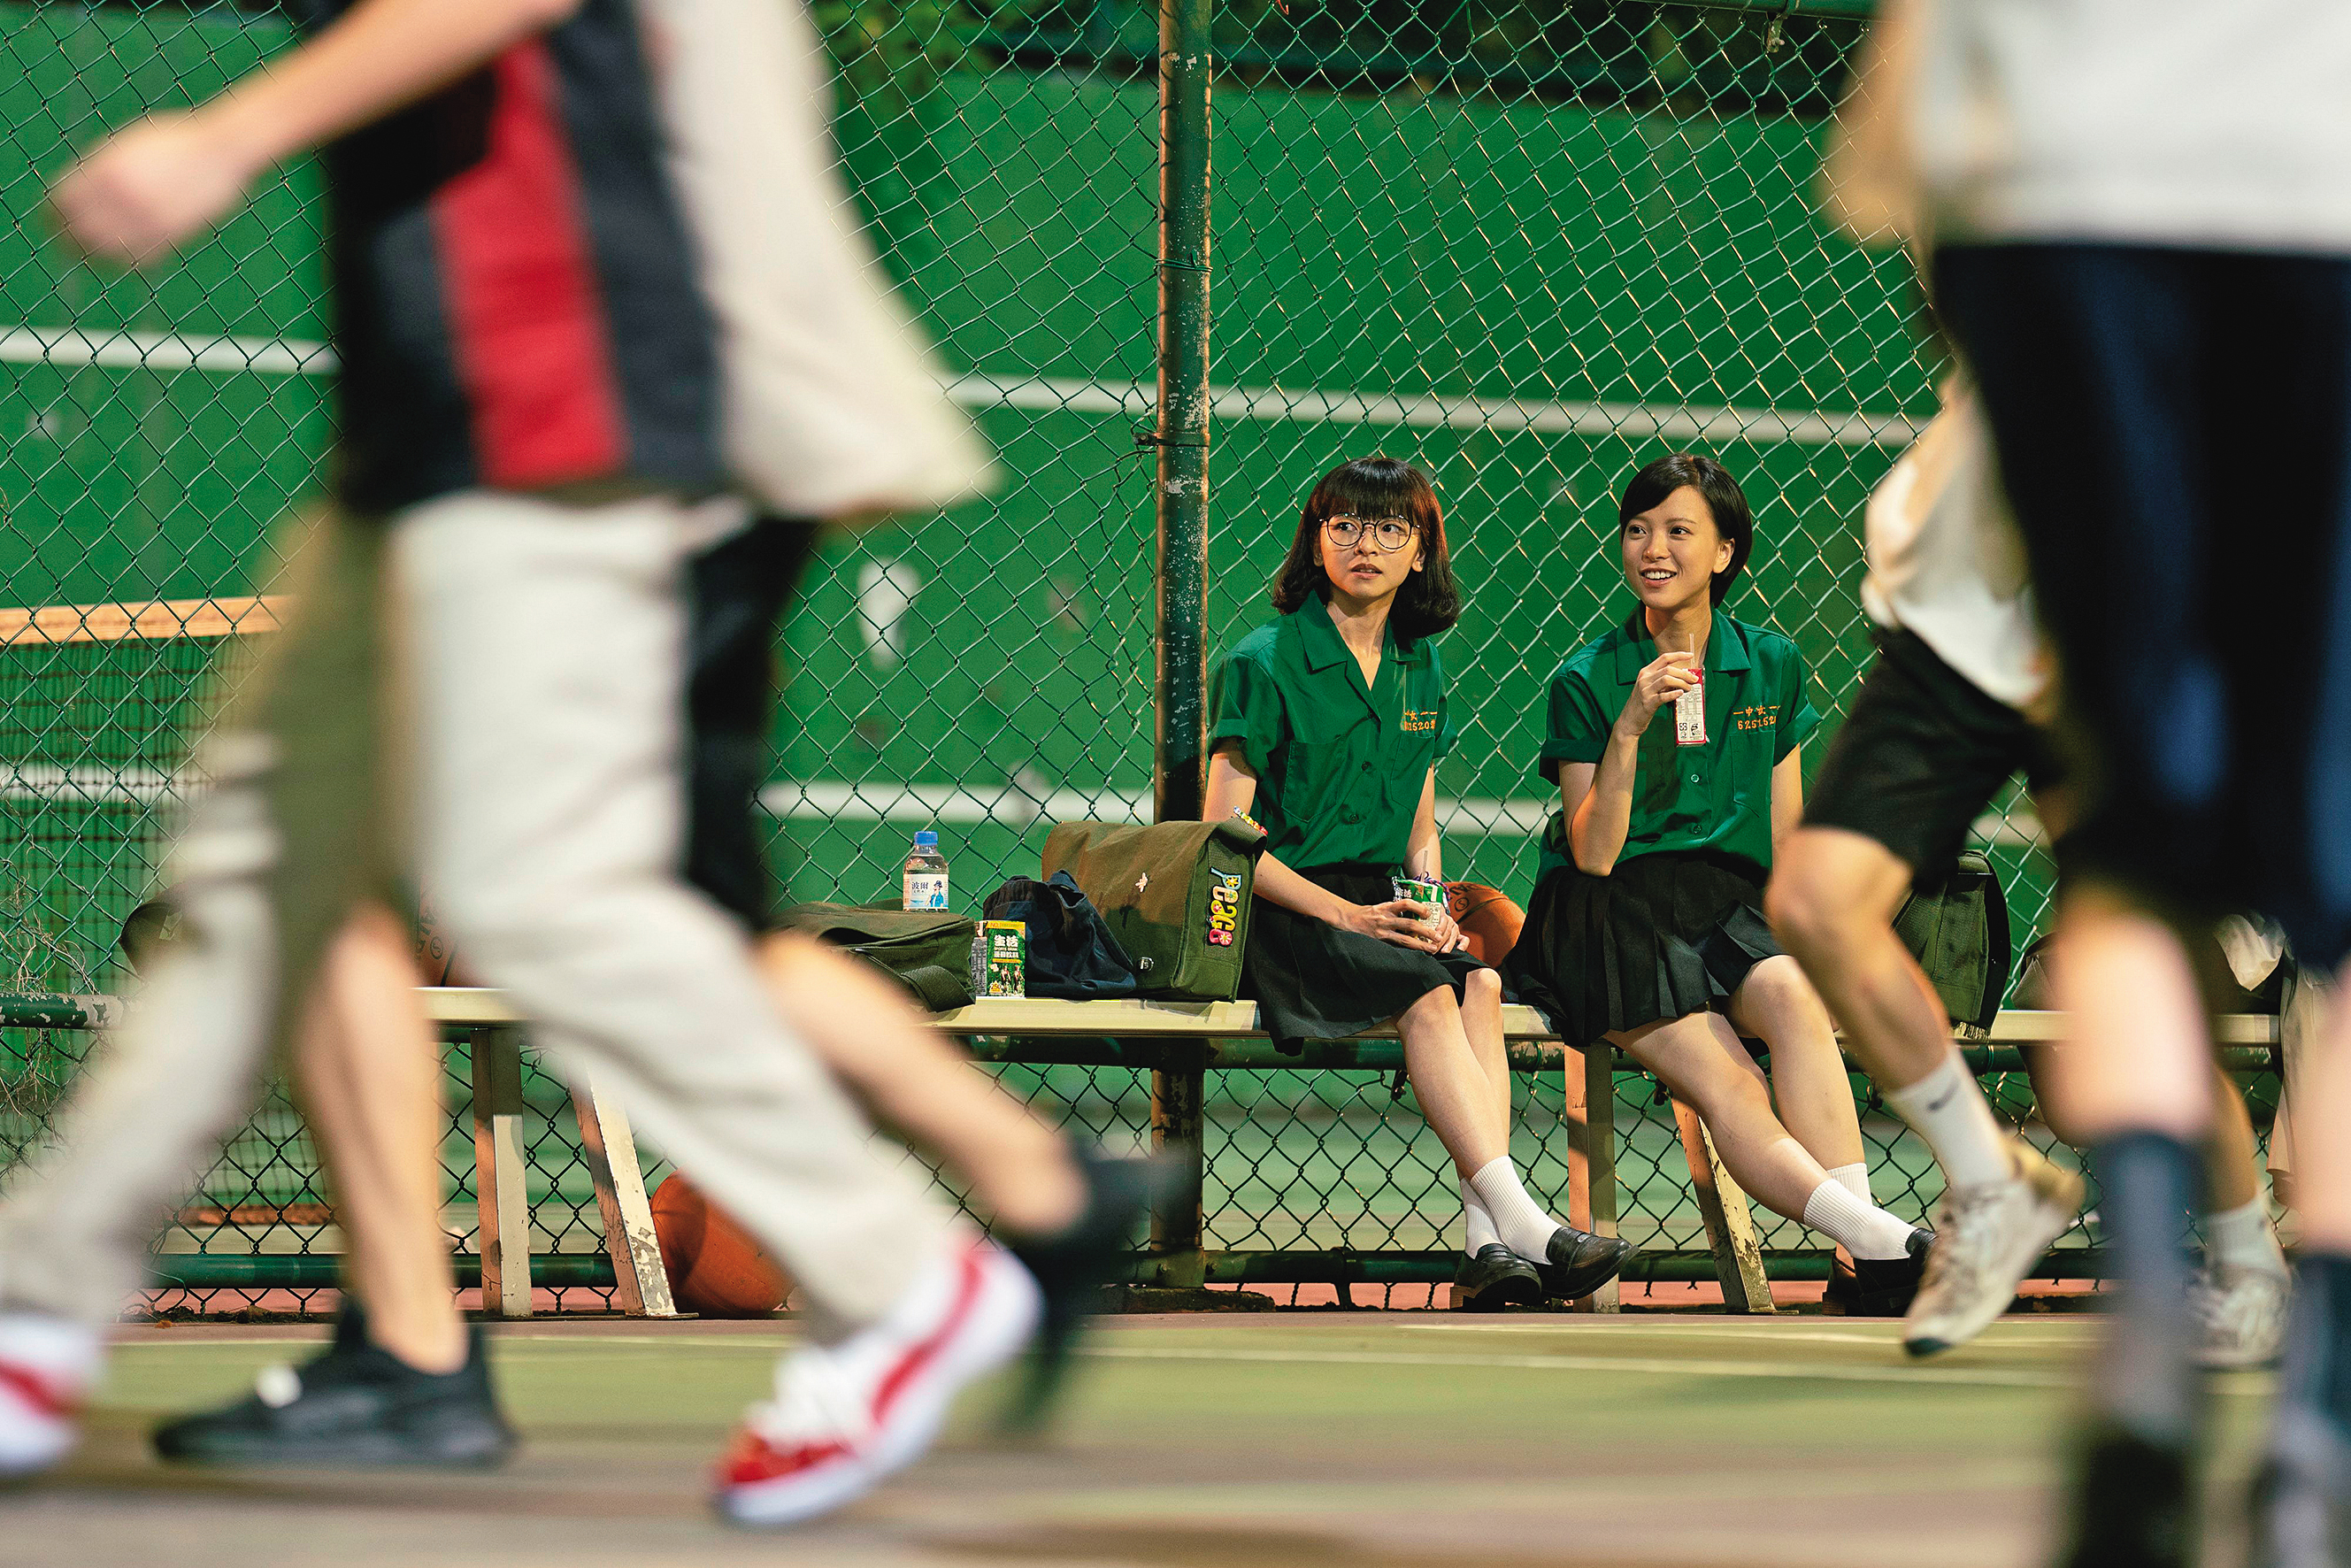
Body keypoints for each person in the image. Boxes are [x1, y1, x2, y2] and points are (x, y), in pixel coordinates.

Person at [0, 0, 1060, 1526]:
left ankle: (900, 1275)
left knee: (539, 892)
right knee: (258, 866)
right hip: (429, 430)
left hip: (553, 409)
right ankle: (40, 1309)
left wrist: (224, 134)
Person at [139, 514, 1149, 1466]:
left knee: (637, 933)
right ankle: (1018, 1191)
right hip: (570, 528)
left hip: (601, 522)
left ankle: (953, 1238)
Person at [1848, 0, 2351, 1560]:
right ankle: (2318, 1410)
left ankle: (2140, 1358)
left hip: (2070, 238)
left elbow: (1886, 158)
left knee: (2130, 845)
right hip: (2313, 228)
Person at [1769, 389, 2292, 1366]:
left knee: (2137, 964)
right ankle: (1992, 1178)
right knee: (1813, 901)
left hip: (2096, 632)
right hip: (1952, 632)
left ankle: (2250, 1267)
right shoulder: (1990, 274)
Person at [1202, 456, 1632, 1311]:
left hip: (1377, 899)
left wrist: (1430, 909)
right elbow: (1225, 838)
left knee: (1476, 979)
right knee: (1429, 999)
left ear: (1421, 550)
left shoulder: (1418, 665)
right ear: (1315, 543)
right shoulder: (1265, 658)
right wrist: (1348, 917)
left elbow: (1420, 826)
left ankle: (1486, 1250)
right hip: (1283, 903)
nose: (1366, 544)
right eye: (1345, 527)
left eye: (1390, 528)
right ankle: (1527, 1226)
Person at [1505, 452, 1930, 1312]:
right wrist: (1626, 727)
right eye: (1635, 530)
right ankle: (1885, 1238)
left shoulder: (1768, 664)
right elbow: (1591, 852)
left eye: (1675, 531)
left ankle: (1861, 1265)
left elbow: (1783, 834)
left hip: (1728, 906)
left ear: (1724, 553)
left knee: (1796, 999)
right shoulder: (1586, 677)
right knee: (1730, 1079)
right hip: (1609, 908)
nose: (1650, 549)